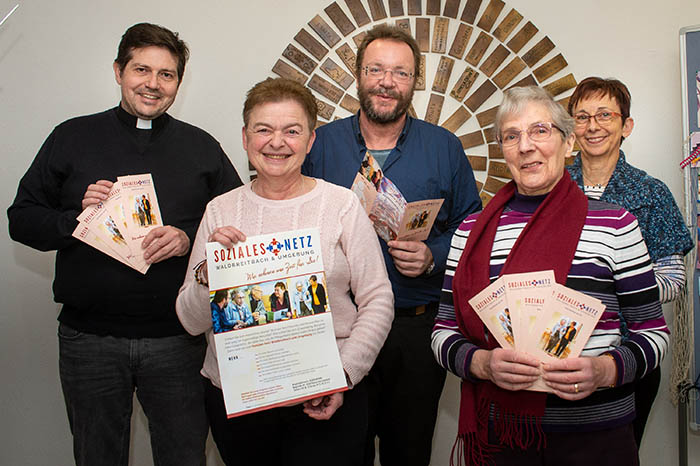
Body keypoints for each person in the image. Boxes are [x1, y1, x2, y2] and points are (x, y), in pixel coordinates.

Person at [7, 23, 242, 466]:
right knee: (97, 457)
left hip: (178, 340)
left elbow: (236, 223)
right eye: (141, 69)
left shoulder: (201, 147)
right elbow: (21, 221)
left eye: (167, 74)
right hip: (89, 340)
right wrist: (76, 220)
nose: (153, 84)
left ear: (178, 81)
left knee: (183, 456)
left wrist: (189, 238)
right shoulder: (71, 137)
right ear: (118, 71)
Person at [431, 86, 669, 465]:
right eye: (511, 135)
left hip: (597, 436)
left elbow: (653, 335)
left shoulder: (616, 224)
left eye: (540, 130)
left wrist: (605, 370)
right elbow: (443, 331)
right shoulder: (470, 232)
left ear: (568, 142)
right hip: (500, 438)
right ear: (503, 149)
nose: (526, 146)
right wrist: (482, 364)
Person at [175, 77, 394, 466]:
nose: (277, 142)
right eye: (264, 130)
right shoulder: (219, 211)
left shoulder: (340, 205)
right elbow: (191, 322)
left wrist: (343, 374)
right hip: (239, 401)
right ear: (245, 138)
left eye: (292, 131)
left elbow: (378, 300)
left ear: (310, 141)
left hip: (324, 395)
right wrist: (208, 275)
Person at [301, 24, 481, 466]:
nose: (386, 81)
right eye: (376, 69)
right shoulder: (319, 144)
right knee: (341, 451)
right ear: (358, 75)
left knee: (409, 452)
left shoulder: (444, 147)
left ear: (415, 81)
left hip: (414, 331)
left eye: (400, 73)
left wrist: (433, 257)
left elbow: (473, 228)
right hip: (336, 328)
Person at [566, 76, 693, 445]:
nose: (593, 126)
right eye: (582, 116)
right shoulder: (551, 188)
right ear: (572, 127)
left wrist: (609, 289)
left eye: (604, 115)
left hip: (629, 354)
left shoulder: (650, 193)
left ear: (626, 126)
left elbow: (673, 278)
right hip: (558, 350)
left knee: (617, 452)